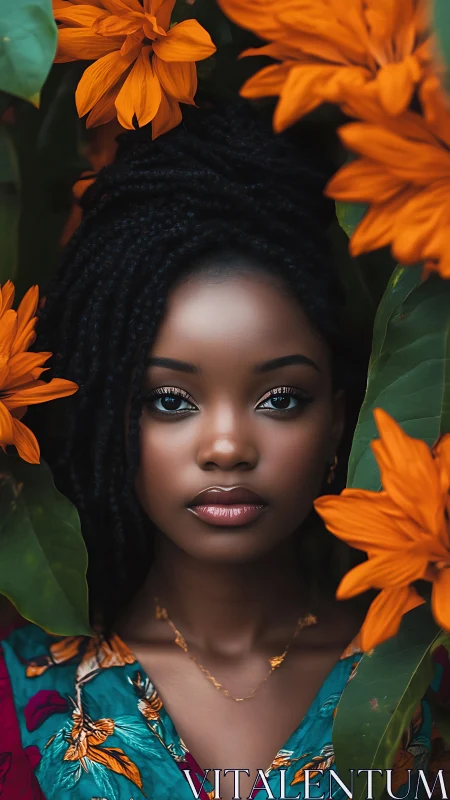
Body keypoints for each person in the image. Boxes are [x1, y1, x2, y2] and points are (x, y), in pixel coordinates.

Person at [0, 101, 445, 800]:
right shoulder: (14, 696)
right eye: (170, 401)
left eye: (281, 398)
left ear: (338, 421)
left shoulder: (428, 679)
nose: (229, 446)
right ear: (111, 417)